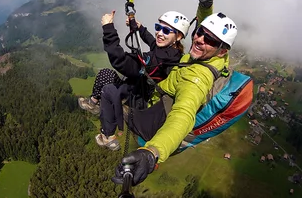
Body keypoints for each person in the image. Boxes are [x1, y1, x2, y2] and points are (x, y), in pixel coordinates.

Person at [111, 12, 238, 186]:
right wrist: (206, 3)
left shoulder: (197, 78)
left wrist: (151, 152)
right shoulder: (210, 57)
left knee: (114, 94)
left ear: (222, 50)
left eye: (210, 40)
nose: (200, 39)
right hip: (158, 99)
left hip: (152, 120)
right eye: (200, 32)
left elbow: (183, 115)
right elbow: (206, 25)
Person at [79, 10, 191, 148]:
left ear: (179, 36)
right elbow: (152, 42)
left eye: (166, 31)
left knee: (106, 81)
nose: (160, 33)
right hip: (138, 88)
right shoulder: (172, 52)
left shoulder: (160, 59)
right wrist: (138, 27)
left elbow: (122, 62)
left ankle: (108, 136)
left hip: (137, 96)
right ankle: (93, 103)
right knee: (106, 77)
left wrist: (108, 28)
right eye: (158, 27)